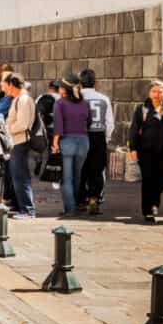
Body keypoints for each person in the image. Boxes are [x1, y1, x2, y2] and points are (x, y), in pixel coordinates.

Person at [129, 81, 163, 223]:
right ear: (149, 93)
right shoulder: (142, 108)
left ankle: (153, 200)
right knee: (148, 180)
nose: (157, 94)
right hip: (145, 150)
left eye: (160, 91)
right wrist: (133, 149)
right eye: (154, 91)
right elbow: (134, 130)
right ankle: (148, 210)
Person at [52, 74, 90, 216]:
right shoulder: (85, 103)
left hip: (67, 141)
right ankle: (74, 204)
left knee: (66, 178)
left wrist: (55, 143)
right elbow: (89, 122)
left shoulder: (60, 103)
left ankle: (70, 208)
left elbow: (58, 126)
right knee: (77, 176)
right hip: (83, 141)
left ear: (64, 89)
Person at [78, 69, 114, 215]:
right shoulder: (103, 99)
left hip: (81, 136)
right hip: (99, 136)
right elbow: (109, 122)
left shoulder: (77, 99)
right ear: (96, 82)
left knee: (81, 169)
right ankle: (94, 198)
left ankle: (81, 199)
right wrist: (106, 138)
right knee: (97, 170)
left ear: (80, 83)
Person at [3, 73, 36, 218]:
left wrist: (7, 129)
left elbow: (23, 123)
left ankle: (28, 209)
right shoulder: (19, 99)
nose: (5, 88)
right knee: (16, 175)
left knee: (20, 176)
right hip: (16, 141)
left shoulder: (23, 99)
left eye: (6, 84)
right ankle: (19, 206)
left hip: (19, 141)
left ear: (12, 85)